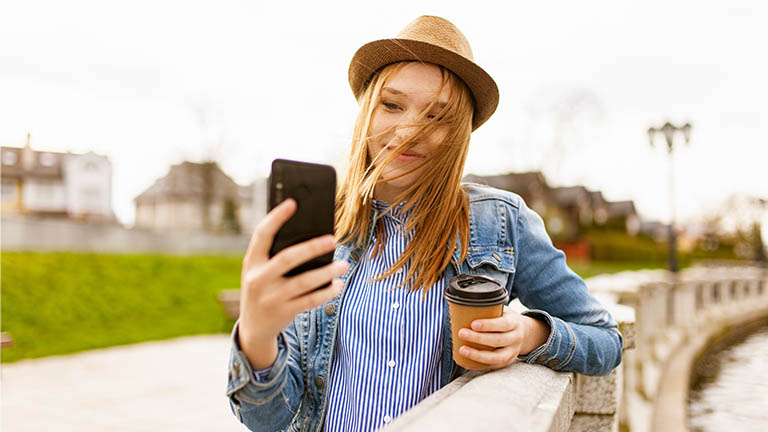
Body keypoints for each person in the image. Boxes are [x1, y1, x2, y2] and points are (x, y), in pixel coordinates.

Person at [226, 15, 623, 432]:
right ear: (367, 110)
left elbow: (605, 340)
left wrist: (529, 334)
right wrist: (256, 337)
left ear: (460, 134)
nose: (409, 130)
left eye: (438, 116)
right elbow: (268, 422)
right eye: (392, 105)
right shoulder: (318, 229)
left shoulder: (502, 223)